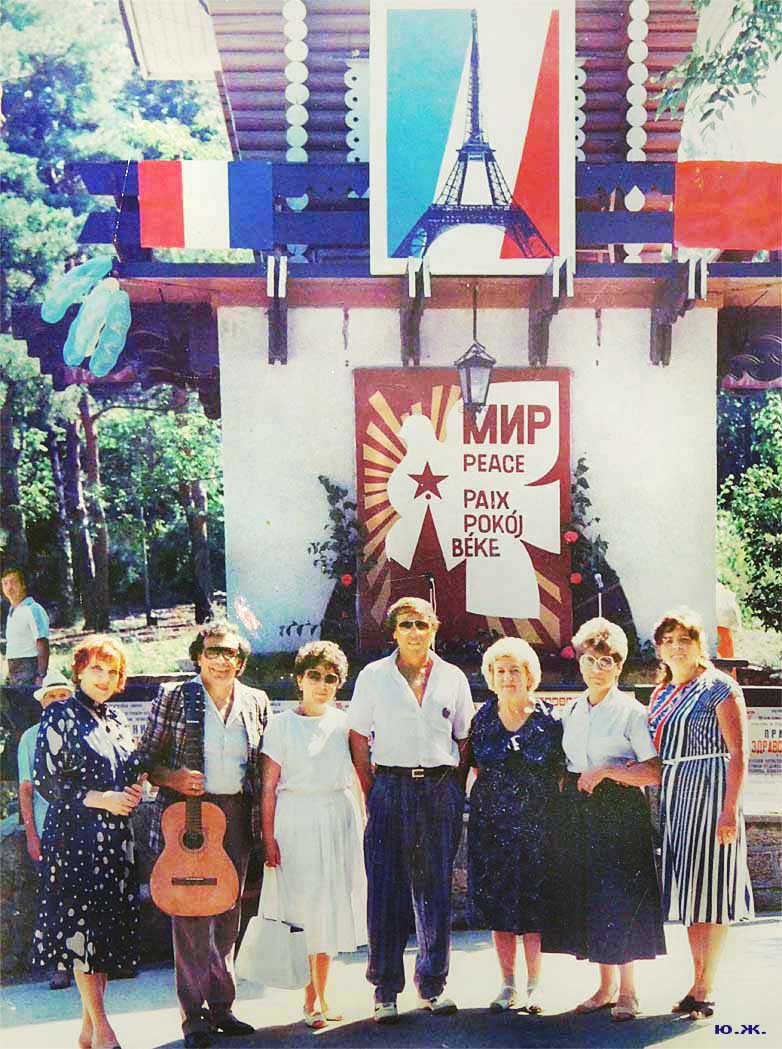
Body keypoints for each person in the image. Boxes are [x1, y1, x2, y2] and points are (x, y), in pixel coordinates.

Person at [138, 621, 271, 1049]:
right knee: (191, 914)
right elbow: (145, 759)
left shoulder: (255, 701)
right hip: (189, 818)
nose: (221, 660)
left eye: (229, 653)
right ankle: (193, 1016)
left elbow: (263, 767)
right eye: (212, 651)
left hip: (236, 816)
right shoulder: (175, 696)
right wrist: (173, 777)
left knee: (229, 912)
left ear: (240, 661)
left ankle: (223, 1008)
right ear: (198, 657)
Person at [348, 596, 474, 1024]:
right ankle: (385, 991)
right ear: (394, 631)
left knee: (435, 891)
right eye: (406, 625)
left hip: (438, 789)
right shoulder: (373, 677)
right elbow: (358, 736)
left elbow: (464, 738)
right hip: (390, 787)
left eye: (422, 624)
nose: (415, 632)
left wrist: (453, 789)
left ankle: (433, 986)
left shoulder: (453, 677)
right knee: (386, 891)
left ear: (434, 628)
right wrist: (373, 790)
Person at [544, 617, 665, 1021]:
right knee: (592, 896)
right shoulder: (571, 710)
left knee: (621, 896)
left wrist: (609, 772)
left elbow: (653, 772)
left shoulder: (632, 712)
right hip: (581, 809)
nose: (597, 668)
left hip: (620, 810)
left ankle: (629, 992)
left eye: (606, 661)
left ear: (619, 666)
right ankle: (605, 987)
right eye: (590, 660)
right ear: (579, 663)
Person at [32, 635, 145, 1049]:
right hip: (75, 838)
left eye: (112, 671)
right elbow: (46, 780)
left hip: (115, 840)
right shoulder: (59, 714)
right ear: (79, 670)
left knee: (103, 936)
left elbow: (131, 769)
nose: (104, 678)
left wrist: (133, 791)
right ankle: (104, 1032)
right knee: (82, 935)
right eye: (97, 668)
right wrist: (102, 799)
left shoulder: (117, 720)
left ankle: (87, 1029)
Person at [648, 608, 753, 1021]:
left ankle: (707, 986)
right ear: (659, 648)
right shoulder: (660, 694)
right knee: (692, 892)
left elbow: (738, 751)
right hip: (677, 797)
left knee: (714, 888)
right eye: (668, 640)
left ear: (698, 644)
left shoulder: (719, 686)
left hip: (712, 792)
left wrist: (729, 810)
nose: (676, 647)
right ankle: (696, 981)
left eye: (684, 639)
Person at [261, 640, 367, 1029]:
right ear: (299, 679)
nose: (322, 685)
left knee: (330, 909)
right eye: (314, 676)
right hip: (296, 823)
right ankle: (309, 1000)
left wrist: (363, 822)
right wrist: (268, 837)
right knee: (305, 912)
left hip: (338, 819)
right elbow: (268, 787)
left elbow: (357, 777)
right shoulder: (280, 725)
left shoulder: (344, 723)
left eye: (331, 678)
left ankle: (323, 995)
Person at [467, 637, 563, 1014]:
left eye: (515, 670)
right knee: (500, 906)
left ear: (529, 675)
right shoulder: (482, 720)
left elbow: (560, 774)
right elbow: (475, 768)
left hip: (538, 827)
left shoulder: (549, 721)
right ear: (491, 676)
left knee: (535, 908)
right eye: (500, 671)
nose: (507, 677)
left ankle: (536, 985)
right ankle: (507, 984)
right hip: (492, 828)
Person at [17, 669, 74, 990]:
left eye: (63, 695)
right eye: (51, 696)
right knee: (55, 898)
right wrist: (31, 835)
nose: (57, 701)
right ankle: (60, 965)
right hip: (47, 828)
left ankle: (99, 962)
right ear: (42, 702)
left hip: (86, 827)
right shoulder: (30, 738)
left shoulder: (83, 730)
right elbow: (26, 789)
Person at [2, 566, 50, 686]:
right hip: (14, 670)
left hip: (30, 668)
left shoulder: (33, 609)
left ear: (23, 585)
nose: (9, 587)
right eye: (5, 583)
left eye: (13, 582)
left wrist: (41, 675)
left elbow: (42, 643)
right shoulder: (12, 612)